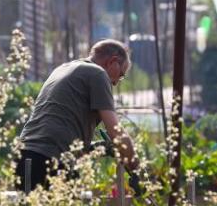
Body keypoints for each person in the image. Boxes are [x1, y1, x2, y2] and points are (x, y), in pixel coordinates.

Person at [16, 39, 139, 191]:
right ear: (112, 61)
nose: (116, 83)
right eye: (121, 75)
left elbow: (58, 128)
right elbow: (116, 132)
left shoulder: (63, 69)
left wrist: (97, 148)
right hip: (52, 160)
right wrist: (136, 170)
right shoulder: (98, 74)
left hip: (25, 156)